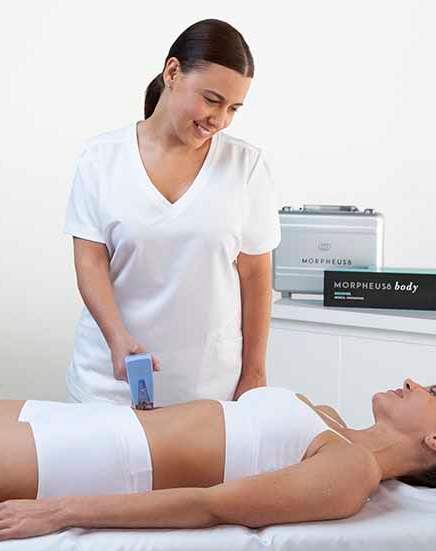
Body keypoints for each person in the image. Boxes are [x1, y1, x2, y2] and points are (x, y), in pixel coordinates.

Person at [0, 378, 436, 543]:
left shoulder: (350, 469)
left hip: (85, 457)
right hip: (76, 417)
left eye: (434, 394)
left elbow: (211, 507)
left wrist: (60, 512)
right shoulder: (323, 413)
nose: (414, 383)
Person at [64, 18, 280, 407]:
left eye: (233, 108)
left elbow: (256, 275)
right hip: (110, 383)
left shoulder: (245, 166)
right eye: (211, 100)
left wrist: (255, 374)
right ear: (173, 72)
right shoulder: (101, 159)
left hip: (209, 390)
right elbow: (90, 262)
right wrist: (117, 338)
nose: (220, 119)